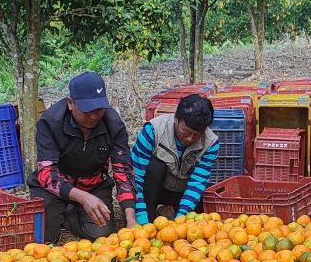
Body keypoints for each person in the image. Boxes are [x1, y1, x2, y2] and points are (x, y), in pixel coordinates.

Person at [29, 72, 137, 243]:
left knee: (102, 234)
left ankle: (70, 214)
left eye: (99, 109)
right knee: (44, 237)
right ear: (70, 103)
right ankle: (63, 209)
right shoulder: (50, 122)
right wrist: (83, 198)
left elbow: (123, 171)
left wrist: (131, 219)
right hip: (55, 186)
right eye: (88, 110)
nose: (94, 116)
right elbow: (47, 175)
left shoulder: (114, 125)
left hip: (93, 184)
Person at [130, 94, 220, 223]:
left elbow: (197, 183)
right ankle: (151, 214)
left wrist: (181, 219)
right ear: (176, 119)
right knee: (155, 166)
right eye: (186, 131)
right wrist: (141, 218)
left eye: (197, 135)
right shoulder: (153, 131)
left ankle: (170, 212)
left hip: (183, 192)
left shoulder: (211, 143)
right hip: (155, 190)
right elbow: (135, 178)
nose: (190, 139)